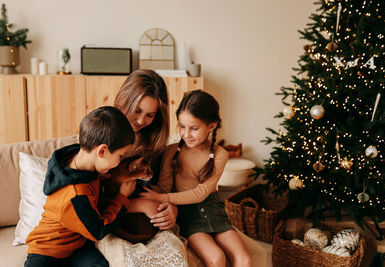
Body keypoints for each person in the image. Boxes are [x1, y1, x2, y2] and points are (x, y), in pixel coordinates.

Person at [140, 90, 252, 267]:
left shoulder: (220, 154)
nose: (186, 134)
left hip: (213, 209)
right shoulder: (171, 151)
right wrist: (150, 194)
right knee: (216, 258)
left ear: (212, 126)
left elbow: (202, 192)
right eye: (182, 126)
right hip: (188, 214)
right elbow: (164, 187)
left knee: (245, 260)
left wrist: (163, 198)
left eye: (194, 128)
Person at [24, 106, 136, 267]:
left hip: (76, 245)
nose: (120, 161)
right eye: (120, 155)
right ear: (102, 151)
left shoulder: (78, 161)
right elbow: (98, 231)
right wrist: (122, 197)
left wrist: (99, 176)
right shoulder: (76, 195)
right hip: (47, 250)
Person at [113, 69, 178, 229]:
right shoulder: (103, 136)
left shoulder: (155, 146)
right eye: (137, 111)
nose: (141, 121)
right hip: (111, 219)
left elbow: (164, 192)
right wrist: (140, 205)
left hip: (145, 222)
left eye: (150, 115)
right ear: (124, 102)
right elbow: (95, 201)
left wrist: (173, 210)